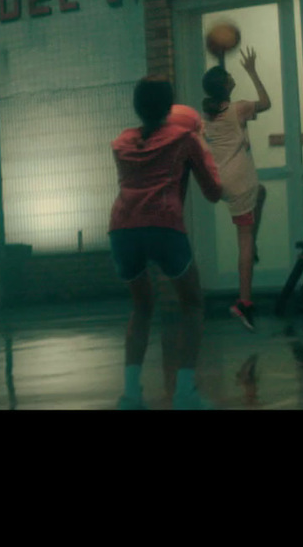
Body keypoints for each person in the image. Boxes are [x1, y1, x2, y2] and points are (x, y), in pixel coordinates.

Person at [110, 78, 224, 410]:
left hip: (122, 229)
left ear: (136, 106)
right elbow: (214, 192)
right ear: (170, 106)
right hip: (163, 226)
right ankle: (185, 393)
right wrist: (202, 143)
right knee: (192, 305)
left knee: (142, 307)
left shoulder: (120, 142)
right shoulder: (185, 139)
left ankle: (131, 395)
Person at [201, 48, 272, 332]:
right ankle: (244, 302)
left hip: (225, 182)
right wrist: (252, 71)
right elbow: (266, 102)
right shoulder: (237, 109)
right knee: (243, 242)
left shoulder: (207, 117)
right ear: (226, 84)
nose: (233, 76)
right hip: (241, 182)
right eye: (229, 75)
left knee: (263, 194)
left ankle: (252, 244)